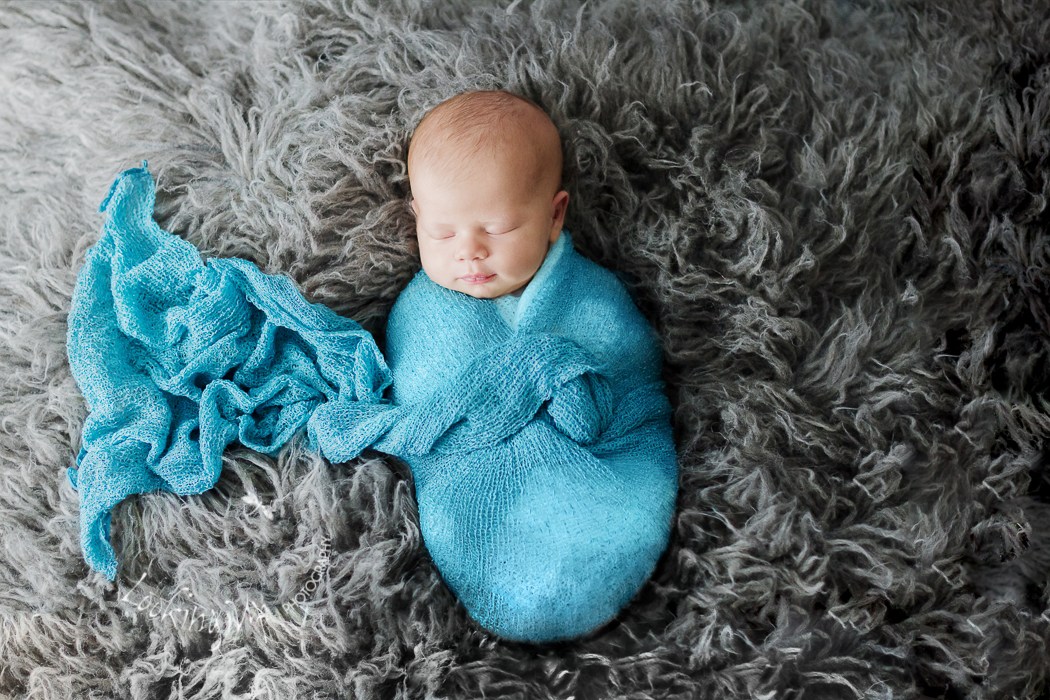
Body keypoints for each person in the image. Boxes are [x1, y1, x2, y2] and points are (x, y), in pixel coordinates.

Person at [406, 90, 570, 306]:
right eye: (442, 233)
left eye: (497, 229)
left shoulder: (588, 298)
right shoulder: (418, 309)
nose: (468, 252)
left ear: (555, 216)